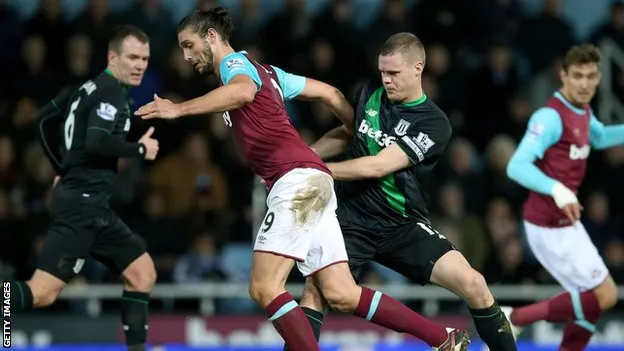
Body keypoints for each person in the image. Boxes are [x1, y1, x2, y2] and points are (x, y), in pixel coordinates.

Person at [135, 8, 468, 351]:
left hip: (295, 181)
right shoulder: (271, 73)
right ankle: (443, 339)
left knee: (264, 286)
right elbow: (330, 94)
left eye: (189, 45)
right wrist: (353, 129)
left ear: (210, 37)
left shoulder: (233, 67)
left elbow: (242, 92)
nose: (186, 56)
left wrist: (178, 109)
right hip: (314, 179)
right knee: (340, 293)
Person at [297, 32, 518, 351]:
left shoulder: (434, 124)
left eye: (393, 73)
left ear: (418, 68)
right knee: (315, 293)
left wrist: (309, 171)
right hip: (349, 219)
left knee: (475, 284)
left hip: (401, 224)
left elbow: (376, 166)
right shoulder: (369, 94)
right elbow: (348, 133)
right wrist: (307, 155)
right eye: (382, 72)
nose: (385, 80)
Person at [10, 25, 159, 351]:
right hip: (82, 207)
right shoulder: (112, 95)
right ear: (112, 56)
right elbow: (97, 140)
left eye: (145, 59)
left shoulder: (84, 89)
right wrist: (139, 150)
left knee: (141, 272)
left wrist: (61, 168)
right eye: (132, 57)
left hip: (93, 205)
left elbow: (43, 120)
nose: (139, 65)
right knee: (43, 292)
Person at [505, 44, 621, 350]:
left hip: (566, 222)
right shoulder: (549, 117)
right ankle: (515, 317)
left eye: (591, 76)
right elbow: (516, 166)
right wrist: (558, 190)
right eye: (578, 76)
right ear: (563, 76)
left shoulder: (583, 110)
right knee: (604, 295)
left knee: (590, 303)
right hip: (547, 226)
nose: (585, 84)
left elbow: (599, 137)